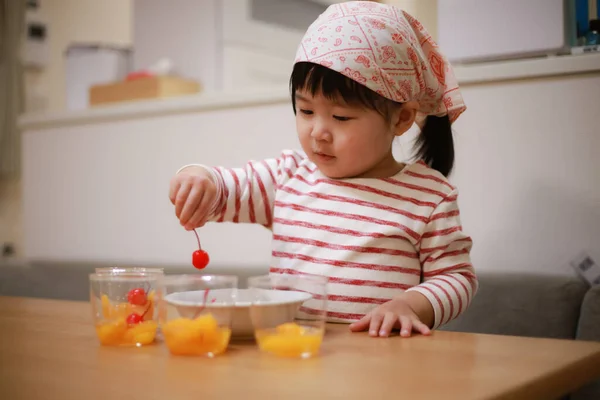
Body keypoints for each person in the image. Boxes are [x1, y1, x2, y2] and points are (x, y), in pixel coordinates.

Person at [169, 1, 477, 338]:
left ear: (401, 118)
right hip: (291, 356)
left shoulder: (428, 197)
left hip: (381, 370)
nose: (318, 132)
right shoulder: (287, 178)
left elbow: (456, 278)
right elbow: (230, 189)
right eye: (305, 110)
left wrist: (410, 305)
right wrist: (200, 179)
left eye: (341, 117)